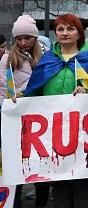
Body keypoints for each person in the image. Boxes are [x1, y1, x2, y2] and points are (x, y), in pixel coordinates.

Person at [23, 13, 88, 208]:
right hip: (54, 133)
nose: (65, 33)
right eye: (60, 29)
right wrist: (18, 101)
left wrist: (87, 91)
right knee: (60, 185)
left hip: (84, 134)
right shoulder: (48, 59)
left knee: (84, 185)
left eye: (70, 29)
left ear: (79, 34)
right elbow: (34, 91)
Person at [0, 15, 47, 208]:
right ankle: (13, 201)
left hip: (40, 119)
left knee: (41, 163)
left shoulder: (45, 57)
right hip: (15, 119)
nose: (23, 42)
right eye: (18, 39)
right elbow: (3, 89)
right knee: (16, 162)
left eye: (27, 38)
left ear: (35, 38)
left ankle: (42, 203)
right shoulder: (6, 59)